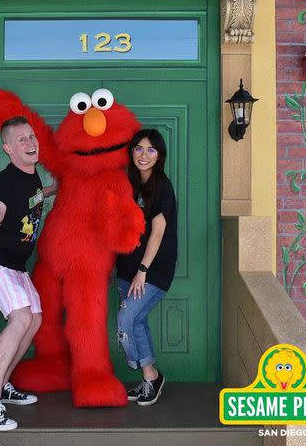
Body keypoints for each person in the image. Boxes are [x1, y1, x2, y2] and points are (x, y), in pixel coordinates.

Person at [0, 116, 53, 431]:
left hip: (15, 262)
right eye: (21, 139)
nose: (30, 143)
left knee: (35, 318)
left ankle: (3, 383)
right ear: (8, 148)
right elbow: (0, 205)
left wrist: (56, 188)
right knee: (20, 318)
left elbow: (33, 197)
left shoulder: (31, 177)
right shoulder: (7, 179)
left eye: (32, 137)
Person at [115, 128, 178, 407]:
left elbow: (158, 232)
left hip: (152, 269)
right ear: (131, 152)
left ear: (159, 155)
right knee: (136, 321)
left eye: (151, 150)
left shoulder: (162, 185)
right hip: (126, 268)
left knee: (126, 321)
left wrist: (142, 270)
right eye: (139, 148)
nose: (144, 155)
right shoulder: (127, 184)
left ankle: (150, 374)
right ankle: (150, 379)